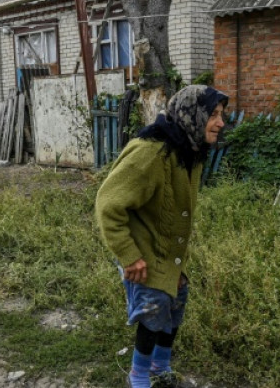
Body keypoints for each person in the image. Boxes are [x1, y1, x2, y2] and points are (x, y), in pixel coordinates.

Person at [95, 85, 228, 388]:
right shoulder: (151, 152)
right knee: (153, 311)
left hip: (170, 254)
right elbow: (107, 204)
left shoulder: (188, 150)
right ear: (193, 115)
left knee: (176, 305)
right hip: (144, 253)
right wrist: (129, 256)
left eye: (222, 115)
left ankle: (160, 368)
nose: (221, 122)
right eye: (214, 114)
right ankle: (138, 376)